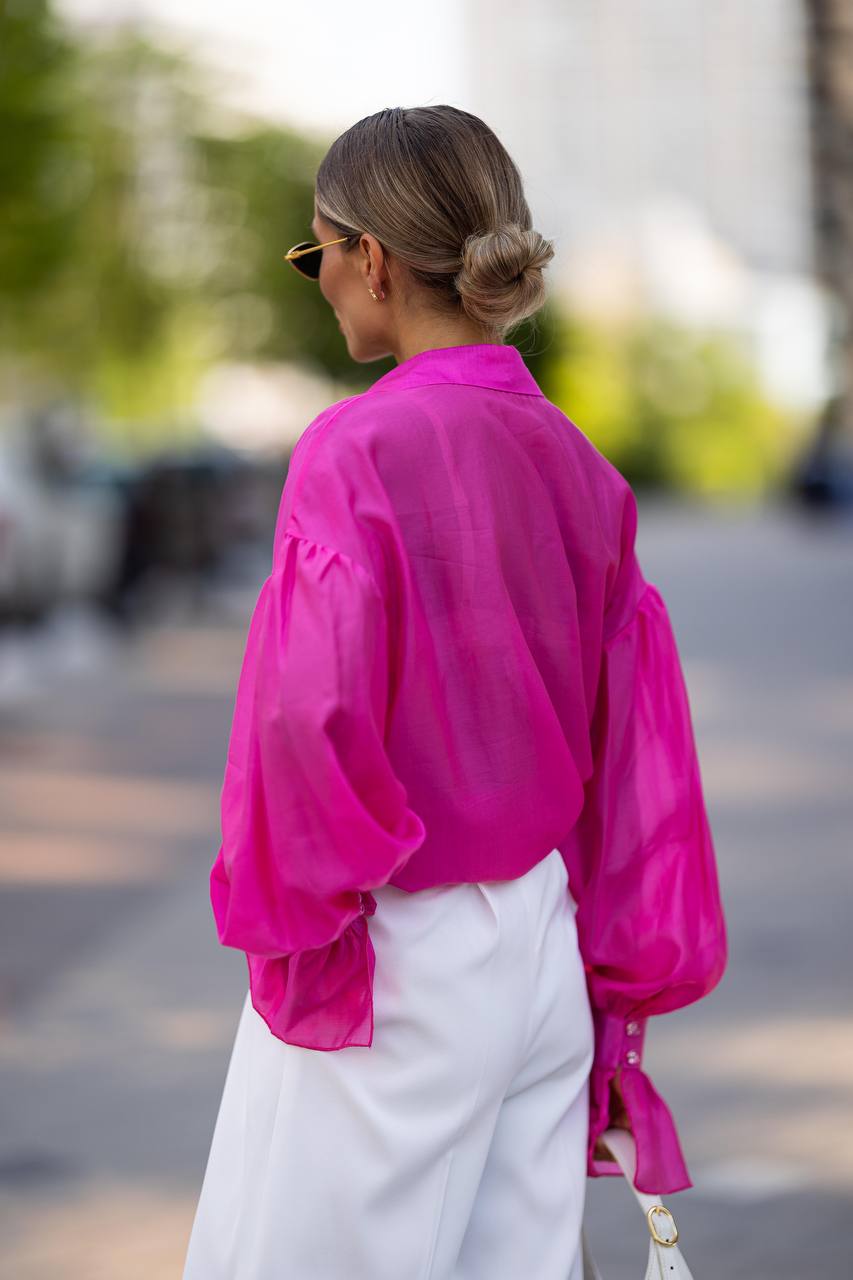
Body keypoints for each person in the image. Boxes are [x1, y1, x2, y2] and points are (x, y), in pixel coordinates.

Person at [182, 104, 728, 1280]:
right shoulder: (578, 466)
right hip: (537, 938)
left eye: (316, 250)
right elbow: (636, 750)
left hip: (393, 938)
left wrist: (302, 928)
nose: (319, 279)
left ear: (370, 256)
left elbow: (304, 718)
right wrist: (604, 982)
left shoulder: (354, 449)